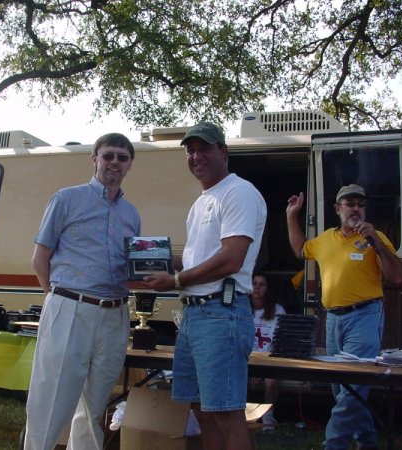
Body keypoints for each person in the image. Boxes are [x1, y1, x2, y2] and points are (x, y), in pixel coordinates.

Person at [142, 122, 267, 450]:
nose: (196, 156)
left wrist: (176, 280)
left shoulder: (238, 192)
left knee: (227, 413)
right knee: (203, 411)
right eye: (190, 150)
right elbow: (197, 257)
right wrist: (153, 260)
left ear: (223, 152)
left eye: (204, 148)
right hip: (194, 316)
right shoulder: (201, 202)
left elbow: (231, 259)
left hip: (221, 312)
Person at [24, 133, 141, 450]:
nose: (114, 162)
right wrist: (57, 299)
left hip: (115, 314)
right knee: (51, 400)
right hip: (70, 308)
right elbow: (40, 258)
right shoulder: (66, 199)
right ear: (94, 159)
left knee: (95, 406)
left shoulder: (132, 214)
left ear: (130, 164)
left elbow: (132, 265)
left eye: (122, 157)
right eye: (108, 155)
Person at [286, 184, 402, 450]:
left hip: (364, 317)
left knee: (352, 388)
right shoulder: (326, 238)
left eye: (360, 204)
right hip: (333, 320)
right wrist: (291, 215)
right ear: (338, 209)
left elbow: (397, 276)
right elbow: (300, 250)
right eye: (350, 204)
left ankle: (334, 445)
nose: (356, 209)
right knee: (344, 389)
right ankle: (367, 442)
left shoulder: (376, 238)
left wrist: (376, 243)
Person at [249, 272, 285, 430]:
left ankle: (268, 417)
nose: (257, 288)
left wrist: (263, 367)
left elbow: (281, 341)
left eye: (261, 284)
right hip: (247, 360)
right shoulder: (242, 309)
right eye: (254, 283)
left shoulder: (278, 310)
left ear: (268, 288)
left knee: (271, 381)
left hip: (270, 360)